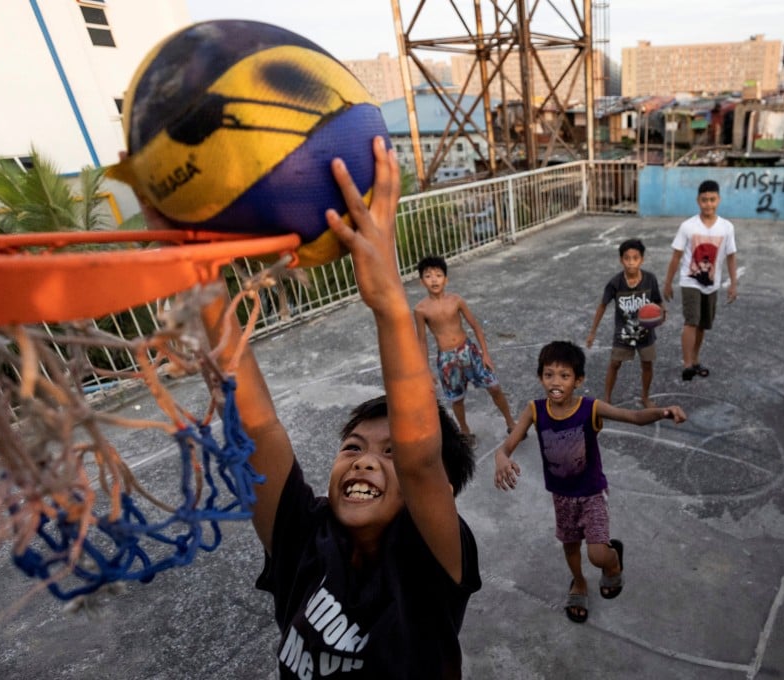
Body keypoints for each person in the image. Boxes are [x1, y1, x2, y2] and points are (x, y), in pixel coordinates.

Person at [194, 138, 481, 678]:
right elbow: (257, 427)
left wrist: (390, 305)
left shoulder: (433, 557)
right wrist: (201, 278)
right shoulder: (304, 536)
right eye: (353, 447)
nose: (366, 460)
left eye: (389, 453)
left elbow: (423, 463)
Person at [494, 340, 686, 624]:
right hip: (561, 496)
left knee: (597, 554)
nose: (555, 382)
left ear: (578, 380)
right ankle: (579, 583)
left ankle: (613, 560)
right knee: (570, 546)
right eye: (548, 374)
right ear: (540, 377)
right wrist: (501, 457)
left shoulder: (590, 408)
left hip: (592, 493)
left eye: (564, 375)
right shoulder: (534, 410)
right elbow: (507, 445)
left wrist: (662, 412)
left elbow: (633, 416)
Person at [414, 255, 516, 444]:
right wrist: (426, 370)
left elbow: (476, 326)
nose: (434, 279)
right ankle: (465, 430)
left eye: (438, 275)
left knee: (494, 386)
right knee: (457, 398)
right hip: (447, 359)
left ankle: (511, 422)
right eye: (428, 276)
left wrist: (485, 354)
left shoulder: (456, 300)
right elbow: (422, 341)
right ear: (422, 282)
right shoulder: (421, 310)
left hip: (469, 351)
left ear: (446, 279)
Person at [663, 179, 738, 382]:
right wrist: (668, 283)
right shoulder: (688, 226)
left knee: (703, 324)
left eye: (712, 199)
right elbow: (676, 256)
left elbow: (731, 256)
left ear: (719, 200)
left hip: (712, 284)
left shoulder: (726, 228)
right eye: (704, 200)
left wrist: (733, 283)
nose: (708, 204)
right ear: (698, 201)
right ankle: (687, 364)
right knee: (691, 321)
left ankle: (695, 361)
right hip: (690, 281)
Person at [585, 238, 664, 408]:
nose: (631, 263)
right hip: (623, 333)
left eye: (635, 258)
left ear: (642, 259)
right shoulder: (615, 283)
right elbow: (602, 306)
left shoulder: (650, 279)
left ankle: (645, 397)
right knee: (614, 364)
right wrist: (592, 332)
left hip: (646, 333)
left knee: (647, 364)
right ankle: (607, 399)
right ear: (621, 260)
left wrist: (662, 314)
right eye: (627, 258)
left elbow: (658, 301)